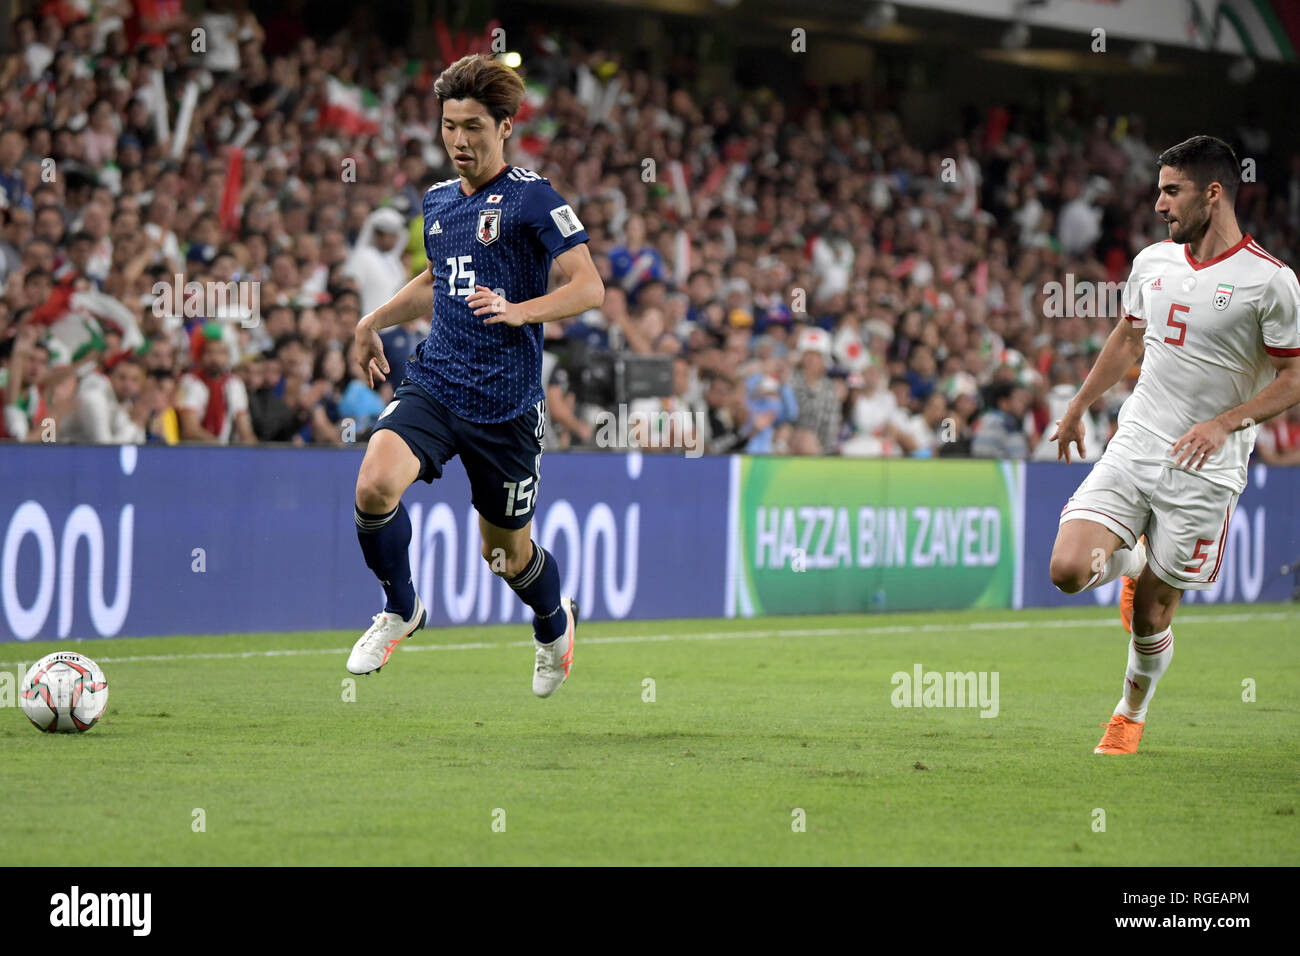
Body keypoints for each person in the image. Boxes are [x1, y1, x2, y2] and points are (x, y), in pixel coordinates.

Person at [348, 54, 604, 697]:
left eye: (474, 128)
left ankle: (553, 620)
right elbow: (439, 280)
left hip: (506, 405)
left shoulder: (532, 198)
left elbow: (589, 286)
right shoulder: (437, 203)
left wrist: (520, 311)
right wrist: (372, 319)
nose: (459, 141)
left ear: (506, 127)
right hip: (436, 381)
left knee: (505, 557)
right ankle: (400, 608)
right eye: (449, 127)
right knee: (375, 484)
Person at [1049, 135, 1300, 755]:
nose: (1159, 204)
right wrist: (1080, 404)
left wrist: (1226, 422)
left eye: (1171, 191)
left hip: (1208, 468)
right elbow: (1128, 340)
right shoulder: (1153, 263)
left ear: (1212, 193)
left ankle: (1129, 713)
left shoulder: (1271, 283)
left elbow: (1295, 376)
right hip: (1137, 440)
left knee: (1151, 617)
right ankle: (1130, 562)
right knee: (1068, 570)